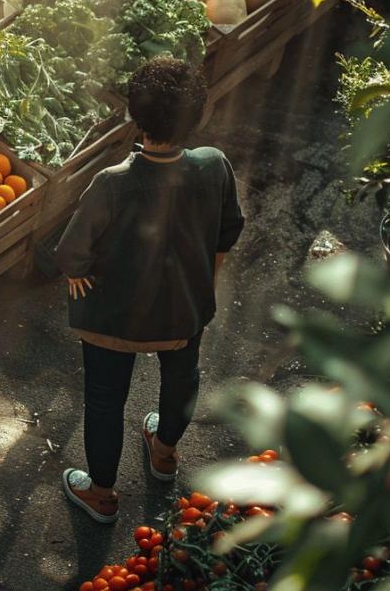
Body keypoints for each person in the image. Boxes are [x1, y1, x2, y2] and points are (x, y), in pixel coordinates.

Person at [54, 57, 244, 524]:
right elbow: (228, 230)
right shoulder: (214, 166)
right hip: (183, 311)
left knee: (105, 401)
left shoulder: (112, 183)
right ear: (197, 115)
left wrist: (77, 272)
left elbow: (71, 251)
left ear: (135, 117)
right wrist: (205, 278)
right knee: (182, 377)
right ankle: (164, 453)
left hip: (113, 320)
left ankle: (101, 495)